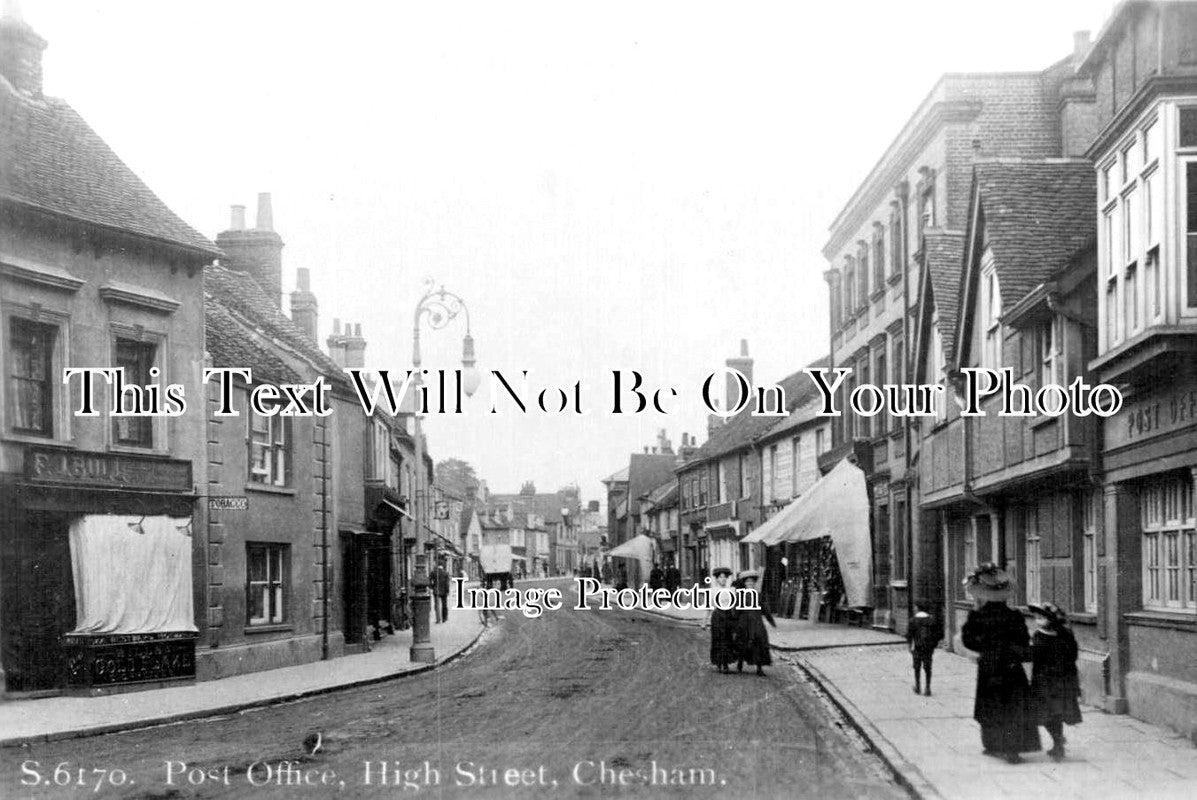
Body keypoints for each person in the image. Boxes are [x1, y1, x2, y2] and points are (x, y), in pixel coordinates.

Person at [961, 563, 1040, 764]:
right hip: (1011, 667)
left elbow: (968, 640)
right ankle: (1013, 748)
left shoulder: (978, 615)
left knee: (990, 705)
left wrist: (985, 649)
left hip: (989, 667)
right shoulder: (1014, 616)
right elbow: (1023, 640)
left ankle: (992, 744)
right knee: (1013, 706)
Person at [1028, 602, 1082, 761]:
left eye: (1041, 618)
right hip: (1045, 681)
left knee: (1054, 714)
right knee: (1046, 715)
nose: (1037, 621)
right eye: (1036, 618)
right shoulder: (1039, 635)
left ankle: (1058, 742)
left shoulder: (1064, 635)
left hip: (1057, 681)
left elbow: (1073, 655)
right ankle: (1058, 740)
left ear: (1051, 619)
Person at [734, 569, 776, 676]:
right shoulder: (741, 595)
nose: (750, 584)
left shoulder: (758, 595)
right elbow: (735, 610)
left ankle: (759, 667)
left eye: (752, 582)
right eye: (748, 582)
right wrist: (735, 622)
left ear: (754, 583)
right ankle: (740, 662)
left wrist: (771, 621)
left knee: (760, 642)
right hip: (744, 622)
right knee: (743, 642)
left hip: (757, 621)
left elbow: (765, 609)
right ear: (744, 583)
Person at [701, 567, 738, 673]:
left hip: (728, 616)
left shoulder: (731, 590)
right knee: (718, 640)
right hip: (717, 616)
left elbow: (734, 607)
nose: (723, 579)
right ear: (716, 579)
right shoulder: (712, 591)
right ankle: (718, 662)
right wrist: (704, 622)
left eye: (724, 577)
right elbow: (708, 608)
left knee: (727, 640)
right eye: (720, 577)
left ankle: (725, 664)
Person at [906, 605, 944, 696]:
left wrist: (909, 646)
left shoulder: (912, 620)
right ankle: (927, 688)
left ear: (918, 608)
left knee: (917, 667)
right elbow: (939, 634)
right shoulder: (931, 620)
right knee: (928, 668)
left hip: (917, 647)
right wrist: (934, 644)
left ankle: (918, 687)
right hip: (928, 648)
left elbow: (909, 635)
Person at [432, 559, 451, 624]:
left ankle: (438, 619)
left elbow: (429, 580)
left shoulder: (434, 572)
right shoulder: (445, 573)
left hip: (436, 590)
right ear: (443, 565)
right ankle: (444, 618)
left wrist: (432, 586)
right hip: (444, 591)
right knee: (444, 605)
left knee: (436, 605)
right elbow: (447, 583)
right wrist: (448, 591)